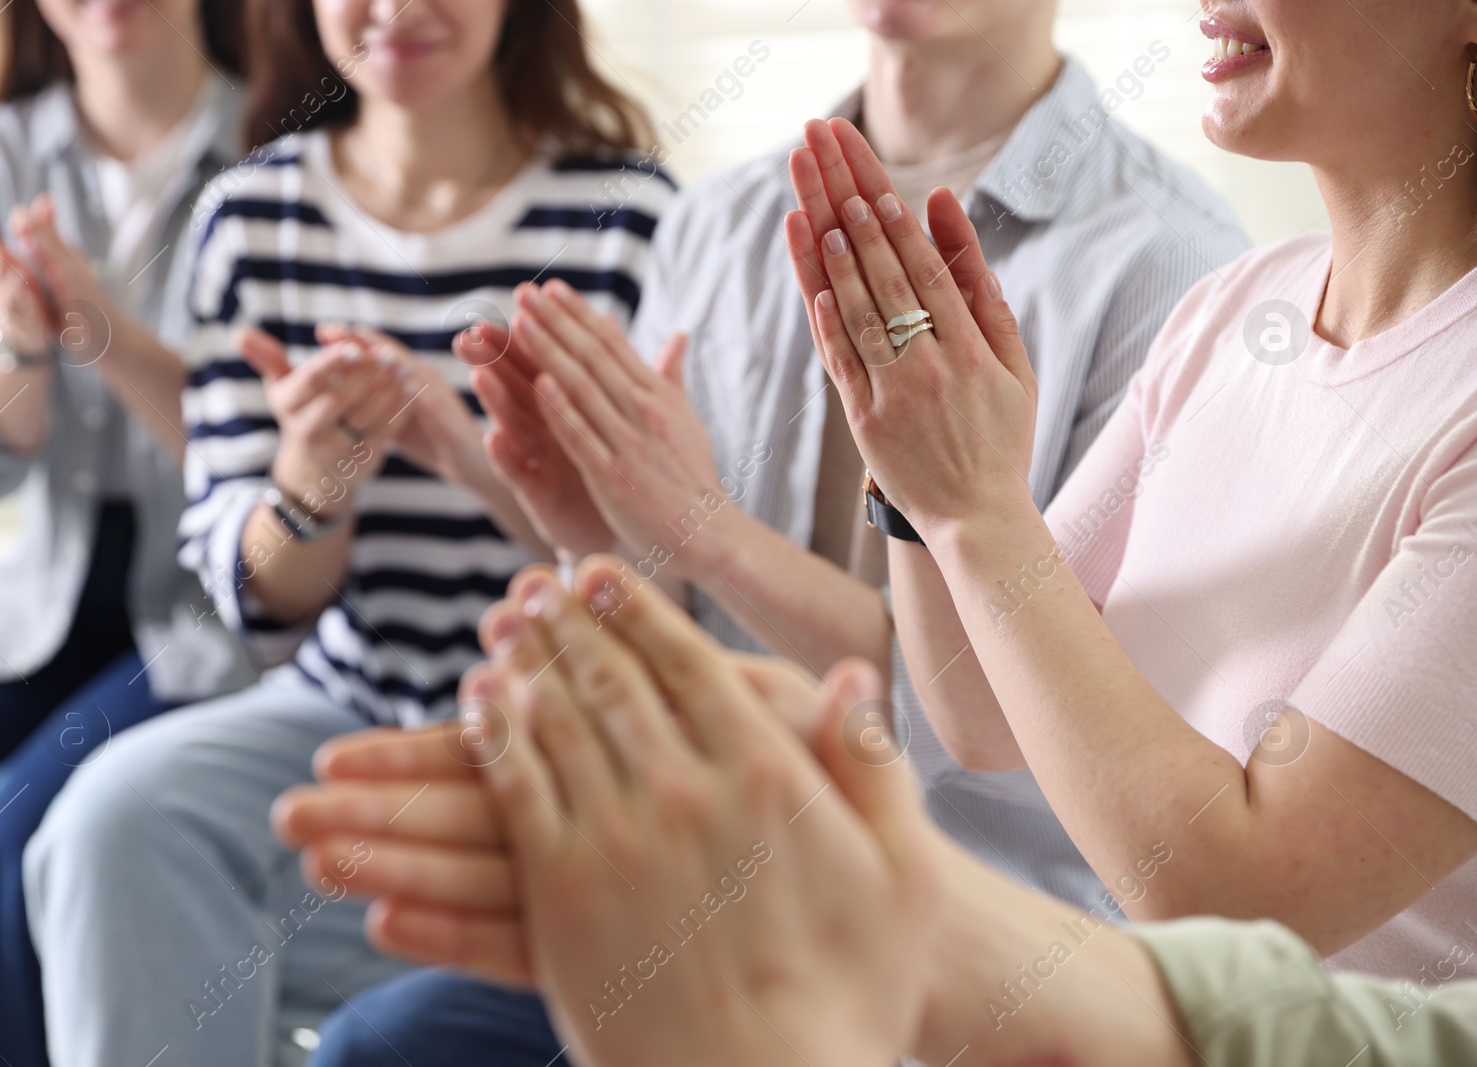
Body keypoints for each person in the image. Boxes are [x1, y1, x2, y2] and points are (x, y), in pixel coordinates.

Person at [303, 0, 1247, 1060]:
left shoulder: (1173, 268)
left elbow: (1032, 727)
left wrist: (700, 532)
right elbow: (685, 628)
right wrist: (602, 532)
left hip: (990, 941)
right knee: (379, 1044)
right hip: (716, 887)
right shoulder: (716, 223)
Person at [20, 0, 672, 1064]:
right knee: (112, 824)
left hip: (567, 730)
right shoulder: (255, 215)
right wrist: (310, 489)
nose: (400, 10)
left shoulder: (625, 215)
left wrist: (467, 448)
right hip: (346, 700)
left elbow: (658, 565)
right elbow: (256, 589)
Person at [789, 0, 1477, 981]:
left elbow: (1240, 896)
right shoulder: (1235, 309)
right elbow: (982, 710)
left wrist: (975, 505)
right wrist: (912, 449)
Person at [277, 559, 1477, 1067]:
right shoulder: (1236, 306)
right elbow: (968, 702)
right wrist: (910, 908)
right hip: (1082, 940)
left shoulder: (1150, 242)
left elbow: (1226, 879)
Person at [0, 0, 251, 1063]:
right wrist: (13, 346)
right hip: (38, 596)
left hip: (214, 605)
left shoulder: (282, 148)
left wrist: (107, 336)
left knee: (8, 841)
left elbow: (271, 461)